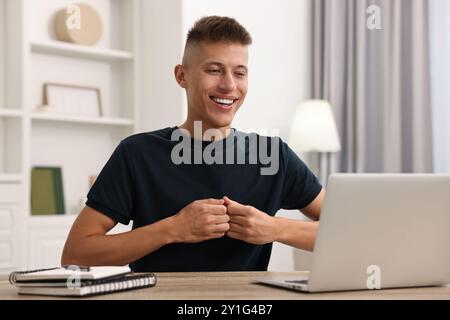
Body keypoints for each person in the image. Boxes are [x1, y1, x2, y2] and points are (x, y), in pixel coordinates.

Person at [61, 16, 324, 272]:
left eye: (239, 73)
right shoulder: (137, 154)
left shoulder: (273, 155)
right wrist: (173, 229)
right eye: (214, 70)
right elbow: (76, 252)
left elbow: (347, 229)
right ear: (181, 76)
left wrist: (276, 229)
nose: (229, 85)